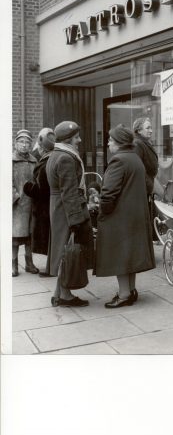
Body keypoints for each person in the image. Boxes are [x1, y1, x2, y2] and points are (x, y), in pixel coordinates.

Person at [95, 125, 156, 308]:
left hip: (120, 217)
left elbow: (108, 193)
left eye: (110, 140)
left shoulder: (118, 161)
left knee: (120, 255)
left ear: (120, 143)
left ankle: (123, 295)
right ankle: (131, 290)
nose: (107, 144)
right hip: (135, 214)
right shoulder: (135, 158)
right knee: (130, 255)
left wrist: (104, 211)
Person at [46, 121, 94, 307]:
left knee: (63, 251)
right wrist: (75, 220)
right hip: (67, 209)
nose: (79, 140)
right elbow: (69, 191)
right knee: (68, 252)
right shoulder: (66, 158)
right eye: (76, 137)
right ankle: (64, 295)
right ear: (68, 139)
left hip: (58, 208)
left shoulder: (56, 154)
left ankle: (59, 293)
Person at [23, 127, 55, 276]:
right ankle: (51, 266)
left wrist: (27, 187)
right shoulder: (52, 157)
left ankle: (51, 267)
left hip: (45, 207)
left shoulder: (46, 161)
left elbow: (41, 189)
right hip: (49, 206)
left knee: (48, 237)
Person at [12, 129, 39, 277]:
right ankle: (13, 264)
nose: (24, 145)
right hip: (17, 205)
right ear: (15, 143)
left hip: (31, 204)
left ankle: (29, 263)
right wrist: (14, 197)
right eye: (21, 142)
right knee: (14, 237)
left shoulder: (34, 161)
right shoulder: (10, 160)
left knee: (29, 235)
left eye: (27, 142)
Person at [132, 116, 159, 196]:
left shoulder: (143, 142)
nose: (151, 131)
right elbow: (138, 169)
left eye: (151, 128)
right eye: (147, 128)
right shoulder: (137, 144)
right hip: (143, 189)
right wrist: (150, 186)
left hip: (146, 187)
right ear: (139, 130)